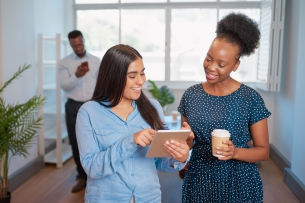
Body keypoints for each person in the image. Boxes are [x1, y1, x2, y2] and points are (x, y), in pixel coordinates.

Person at [75, 44, 192, 203]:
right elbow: (92, 168)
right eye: (132, 76)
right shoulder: (88, 112)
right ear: (113, 77)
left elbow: (159, 161)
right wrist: (130, 141)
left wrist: (179, 157)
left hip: (148, 197)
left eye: (142, 73)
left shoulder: (153, 108)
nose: (141, 81)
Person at [178, 13, 271, 202]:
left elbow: (263, 151)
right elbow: (188, 145)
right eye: (208, 58)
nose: (211, 67)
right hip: (199, 180)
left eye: (221, 64)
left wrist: (235, 152)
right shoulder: (191, 95)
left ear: (236, 65)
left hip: (240, 182)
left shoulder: (250, 98)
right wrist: (185, 140)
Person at [58, 30, 100, 193]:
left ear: (83, 41)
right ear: (70, 45)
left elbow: (102, 83)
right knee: (76, 141)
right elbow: (64, 86)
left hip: (93, 105)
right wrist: (76, 75)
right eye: (74, 45)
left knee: (95, 140)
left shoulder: (96, 61)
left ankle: (95, 174)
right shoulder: (65, 62)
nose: (78, 47)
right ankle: (82, 176)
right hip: (73, 106)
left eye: (80, 43)